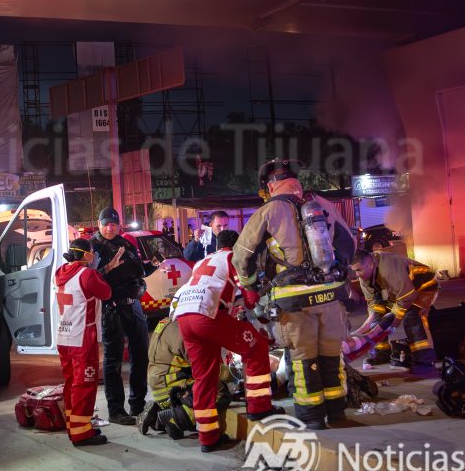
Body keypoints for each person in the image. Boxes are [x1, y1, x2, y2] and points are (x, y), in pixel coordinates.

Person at [233, 158, 350, 430]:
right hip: (330, 294)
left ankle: (311, 417)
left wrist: (249, 286)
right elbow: (348, 243)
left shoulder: (268, 211)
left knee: (303, 357)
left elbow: (242, 256)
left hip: (295, 299)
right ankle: (337, 412)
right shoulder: (321, 206)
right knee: (332, 355)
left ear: (270, 185)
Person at [174, 229, 281, 452]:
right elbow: (249, 297)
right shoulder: (234, 257)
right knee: (256, 347)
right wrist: (255, 297)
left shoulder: (204, 260)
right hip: (208, 315)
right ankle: (260, 406)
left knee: (204, 376)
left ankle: (208, 437)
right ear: (238, 244)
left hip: (185, 317)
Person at [91, 207, 158, 425]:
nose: (110, 228)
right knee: (114, 360)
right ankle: (116, 410)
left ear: (119, 224)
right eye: (106, 224)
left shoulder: (126, 243)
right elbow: (88, 277)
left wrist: (151, 266)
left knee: (141, 356)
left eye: (113, 224)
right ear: (99, 224)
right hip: (111, 307)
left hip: (134, 306)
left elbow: (137, 270)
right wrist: (108, 267)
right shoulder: (94, 247)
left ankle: (137, 404)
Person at [54, 238, 113, 447]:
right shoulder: (87, 274)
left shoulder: (60, 272)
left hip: (64, 335)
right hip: (82, 338)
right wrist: (100, 270)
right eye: (92, 253)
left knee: (71, 384)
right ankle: (82, 434)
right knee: (84, 385)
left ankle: (75, 426)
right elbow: (106, 292)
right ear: (87, 255)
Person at [349, 249, 440, 376]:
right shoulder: (365, 276)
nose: (357, 274)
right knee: (378, 316)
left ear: (370, 264)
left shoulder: (388, 269)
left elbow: (407, 297)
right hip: (398, 292)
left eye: (359, 270)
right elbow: (373, 303)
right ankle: (382, 353)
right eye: (354, 271)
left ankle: (425, 361)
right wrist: (375, 321)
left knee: (412, 317)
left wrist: (392, 321)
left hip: (422, 288)